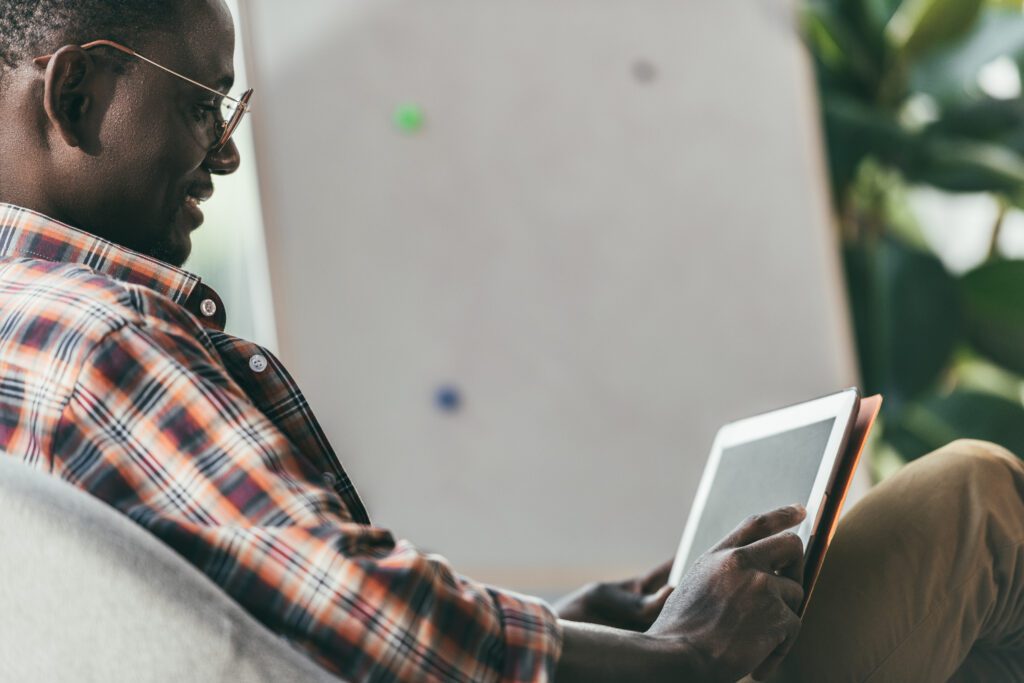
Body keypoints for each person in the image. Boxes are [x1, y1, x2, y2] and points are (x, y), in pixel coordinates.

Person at [0, 2, 1022, 681]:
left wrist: (575, 615)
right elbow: (375, 619)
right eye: (199, 105)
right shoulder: (105, 342)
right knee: (976, 496)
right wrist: (682, 652)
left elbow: (288, 597)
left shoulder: (24, 333)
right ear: (78, 95)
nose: (223, 148)